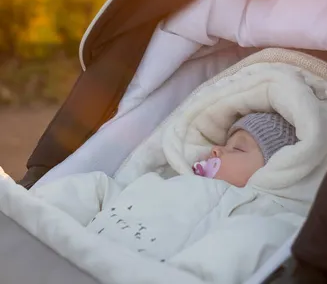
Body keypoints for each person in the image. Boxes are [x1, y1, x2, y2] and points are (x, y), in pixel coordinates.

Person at [31, 112, 297, 261]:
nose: (216, 150)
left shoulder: (255, 213)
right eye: (223, 144)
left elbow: (230, 254)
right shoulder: (166, 180)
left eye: (236, 149)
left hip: (137, 271)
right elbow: (108, 191)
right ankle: (28, 214)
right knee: (93, 187)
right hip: (77, 251)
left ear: (274, 171)